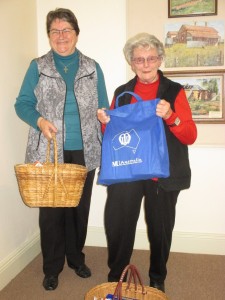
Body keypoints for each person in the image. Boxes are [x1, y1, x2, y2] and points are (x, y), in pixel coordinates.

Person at [15, 8, 109, 291]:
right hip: (49, 151)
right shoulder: (38, 66)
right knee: (51, 212)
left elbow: (102, 104)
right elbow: (22, 104)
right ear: (49, 36)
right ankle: (52, 267)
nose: (61, 36)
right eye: (55, 31)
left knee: (79, 210)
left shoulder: (92, 67)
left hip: (85, 150)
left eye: (66, 30)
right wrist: (40, 120)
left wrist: (105, 118)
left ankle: (75, 259)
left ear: (77, 33)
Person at [97, 33, 197, 292]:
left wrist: (171, 116)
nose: (145, 64)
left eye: (151, 58)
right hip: (128, 169)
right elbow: (112, 136)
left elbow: (190, 135)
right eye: (139, 59)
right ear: (131, 63)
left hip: (162, 173)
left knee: (160, 228)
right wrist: (104, 121)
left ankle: (157, 278)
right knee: (118, 222)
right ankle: (116, 275)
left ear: (160, 59)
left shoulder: (174, 91)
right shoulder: (123, 93)